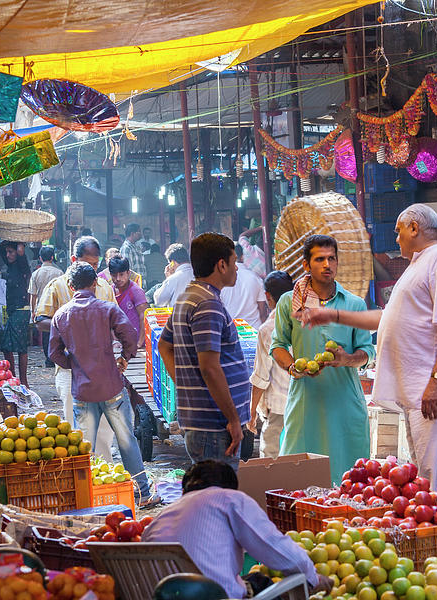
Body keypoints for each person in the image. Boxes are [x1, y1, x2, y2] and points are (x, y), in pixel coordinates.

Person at [302, 205, 437, 508]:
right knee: (429, 478)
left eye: (398, 230)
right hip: (419, 395)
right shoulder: (419, 265)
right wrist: (333, 315)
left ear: (414, 228)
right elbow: (386, 320)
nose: (396, 238)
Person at [49, 263, 159, 506]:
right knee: (127, 441)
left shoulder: (61, 315)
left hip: (82, 390)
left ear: (70, 286)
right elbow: (130, 336)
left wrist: (75, 364)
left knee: (84, 449)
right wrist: (123, 359)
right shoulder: (107, 308)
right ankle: (142, 494)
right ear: (95, 285)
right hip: (111, 386)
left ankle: (86, 498)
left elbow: (54, 354)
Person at [270, 234, 375, 484]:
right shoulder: (289, 303)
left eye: (331, 259)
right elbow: (278, 345)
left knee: (350, 478)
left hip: (345, 404)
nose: (327, 265)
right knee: (298, 479)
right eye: (319, 259)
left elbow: (367, 352)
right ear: (306, 265)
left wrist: (346, 359)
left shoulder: (354, 304)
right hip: (306, 402)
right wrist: (293, 366)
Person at [143, 461, 330, 599]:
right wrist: (313, 577)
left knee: (255, 579)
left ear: (184, 491)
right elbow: (273, 546)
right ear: (230, 488)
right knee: (263, 583)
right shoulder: (228, 499)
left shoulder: (158, 519)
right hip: (214, 595)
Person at [157, 233, 250, 469]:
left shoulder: (189, 297)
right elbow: (209, 368)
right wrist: (233, 419)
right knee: (219, 499)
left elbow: (164, 345)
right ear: (221, 265)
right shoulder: (207, 303)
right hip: (215, 426)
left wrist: (186, 383)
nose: (237, 269)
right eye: (234, 262)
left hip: (203, 422)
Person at [34, 236, 115, 460]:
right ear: (73, 259)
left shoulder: (105, 286)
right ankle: (79, 471)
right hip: (70, 368)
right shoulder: (58, 285)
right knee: (74, 424)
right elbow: (40, 319)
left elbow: (116, 321)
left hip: (101, 367)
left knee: (104, 430)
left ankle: (104, 471)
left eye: (96, 266)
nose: (92, 270)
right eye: (88, 264)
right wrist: (70, 328)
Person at [247, 271, 293, 458]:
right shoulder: (305, 320)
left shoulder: (267, 329)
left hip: (279, 407)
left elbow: (261, 377)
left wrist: (251, 412)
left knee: (271, 460)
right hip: (306, 405)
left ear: (268, 296)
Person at [0, 242, 31, 388]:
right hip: (12, 310)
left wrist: (20, 244)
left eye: (10, 252)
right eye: (7, 252)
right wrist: (8, 240)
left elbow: (20, 254)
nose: (8, 255)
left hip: (21, 310)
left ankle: (23, 381)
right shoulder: (11, 266)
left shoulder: (22, 265)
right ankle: (12, 377)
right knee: (6, 346)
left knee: (20, 347)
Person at [29, 246, 63, 367]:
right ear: (52, 257)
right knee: (56, 333)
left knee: (45, 334)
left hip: (41, 308)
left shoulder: (35, 274)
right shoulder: (59, 273)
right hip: (56, 308)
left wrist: (33, 311)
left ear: (40, 258)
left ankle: (48, 358)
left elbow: (33, 295)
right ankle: (55, 357)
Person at [220, 244, 267, 329]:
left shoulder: (222, 281)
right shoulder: (255, 278)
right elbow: (262, 312)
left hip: (233, 331)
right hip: (254, 330)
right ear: (242, 256)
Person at [108, 257, 148, 349]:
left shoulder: (136, 291)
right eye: (114, 275)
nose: (118, 278)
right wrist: (114, 341)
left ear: (128, 273)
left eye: (121, 274)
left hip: (136, 345)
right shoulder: (109, 291)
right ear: (110, 275)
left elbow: (144, 318)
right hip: (118, 345)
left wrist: (139, 344)